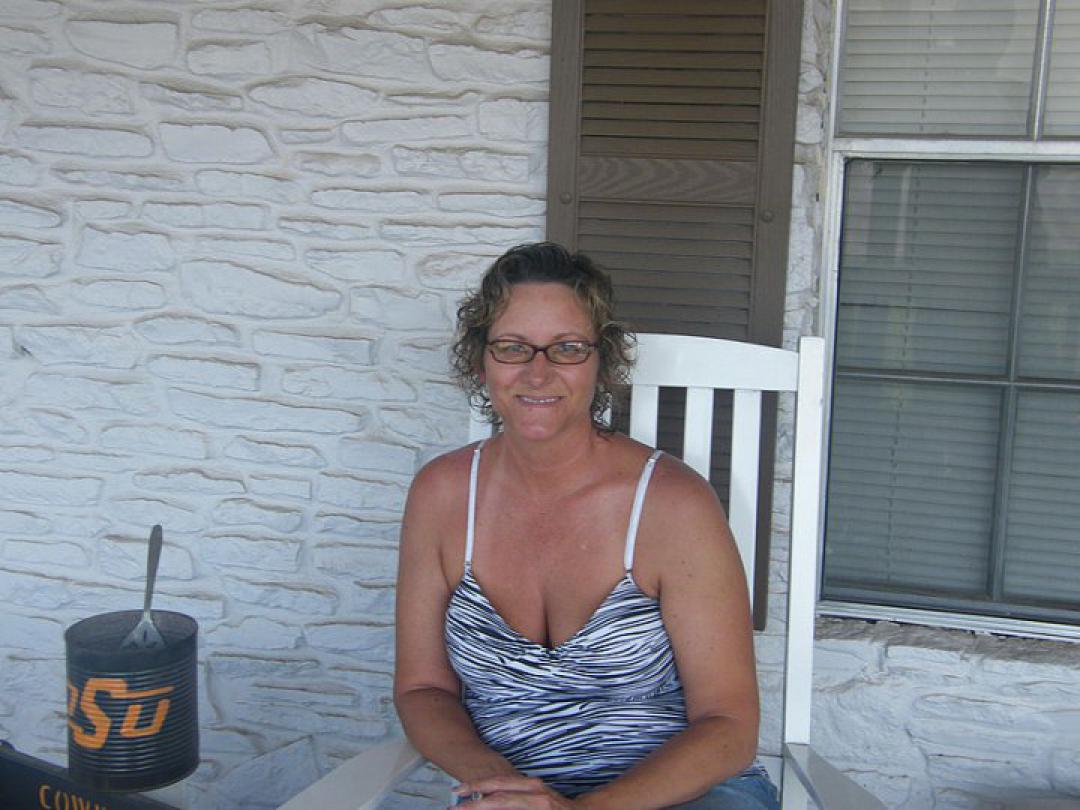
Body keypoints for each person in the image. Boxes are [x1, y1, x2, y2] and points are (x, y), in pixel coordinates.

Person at [393, 243, 779, 809]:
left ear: (602, 362)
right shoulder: (442, 496)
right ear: (481, 362)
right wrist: (499, 785)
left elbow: (729, 724)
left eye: (568, 348)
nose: (538, 372)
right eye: (512, 347)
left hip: (689, 794)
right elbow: (423, 688)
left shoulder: (673, 504)